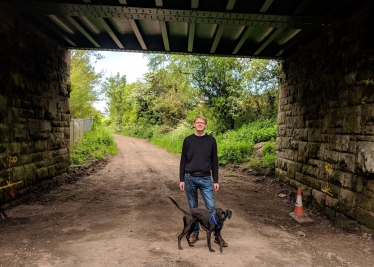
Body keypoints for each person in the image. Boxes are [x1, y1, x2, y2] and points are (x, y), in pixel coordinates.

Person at [179, 115, 228, 247]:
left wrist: (216, 180)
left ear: (206, 125)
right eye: (197, 122)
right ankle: (194, 232)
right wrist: (181, 178)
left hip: (206, 178)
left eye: (202, 123)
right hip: (190, 178)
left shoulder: (211, 140)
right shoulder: (188, 140)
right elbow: (183, 160)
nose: (200, 124)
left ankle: (217, 235)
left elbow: (214, 161)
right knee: (193, 208)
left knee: (211, 207)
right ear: (194, 124)